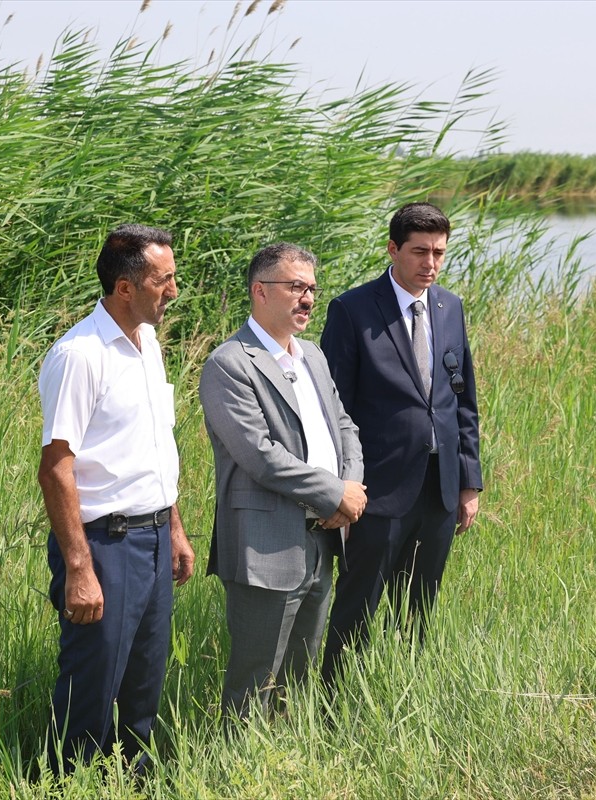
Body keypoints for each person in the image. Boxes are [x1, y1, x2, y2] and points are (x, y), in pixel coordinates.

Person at [37, 223, 196, 772]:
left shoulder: (148, 343)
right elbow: (56, 468)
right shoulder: (80, 355)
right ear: (125, 287)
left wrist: (173, 527)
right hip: (105, 546)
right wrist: (79, 568)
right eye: (164, 280)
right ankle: (68, 783)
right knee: (90, 690)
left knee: (143, 691)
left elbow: (154, 445)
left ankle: (133, 782)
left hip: (152, 540)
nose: (174, 290)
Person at [199, 242, 366, 722]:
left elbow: (345, 429)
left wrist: (349, 492)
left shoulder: (312, 356)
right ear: (260, 291)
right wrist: (335, 492)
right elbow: (261, 457)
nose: (308, 298)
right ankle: (235, 768)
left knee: (299, 674)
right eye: (296, 286)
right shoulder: (230, 363)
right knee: (254, 678)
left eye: (312, 288)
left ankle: (286, 764)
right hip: (265, 545)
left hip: (322, 538)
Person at [319, 202, 483, 685]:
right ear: (393, 249)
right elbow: (335, 408)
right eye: (419, 252)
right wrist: (342, 487)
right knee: (359, 606)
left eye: (438, 253)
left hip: (438, 487)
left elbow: (462, 399)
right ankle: (335, 704)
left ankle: (401, 693)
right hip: (376, 490)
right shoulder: (352, 309)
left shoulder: (449, 307)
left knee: (418, 607)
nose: (429, 264)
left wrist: (468, 482)